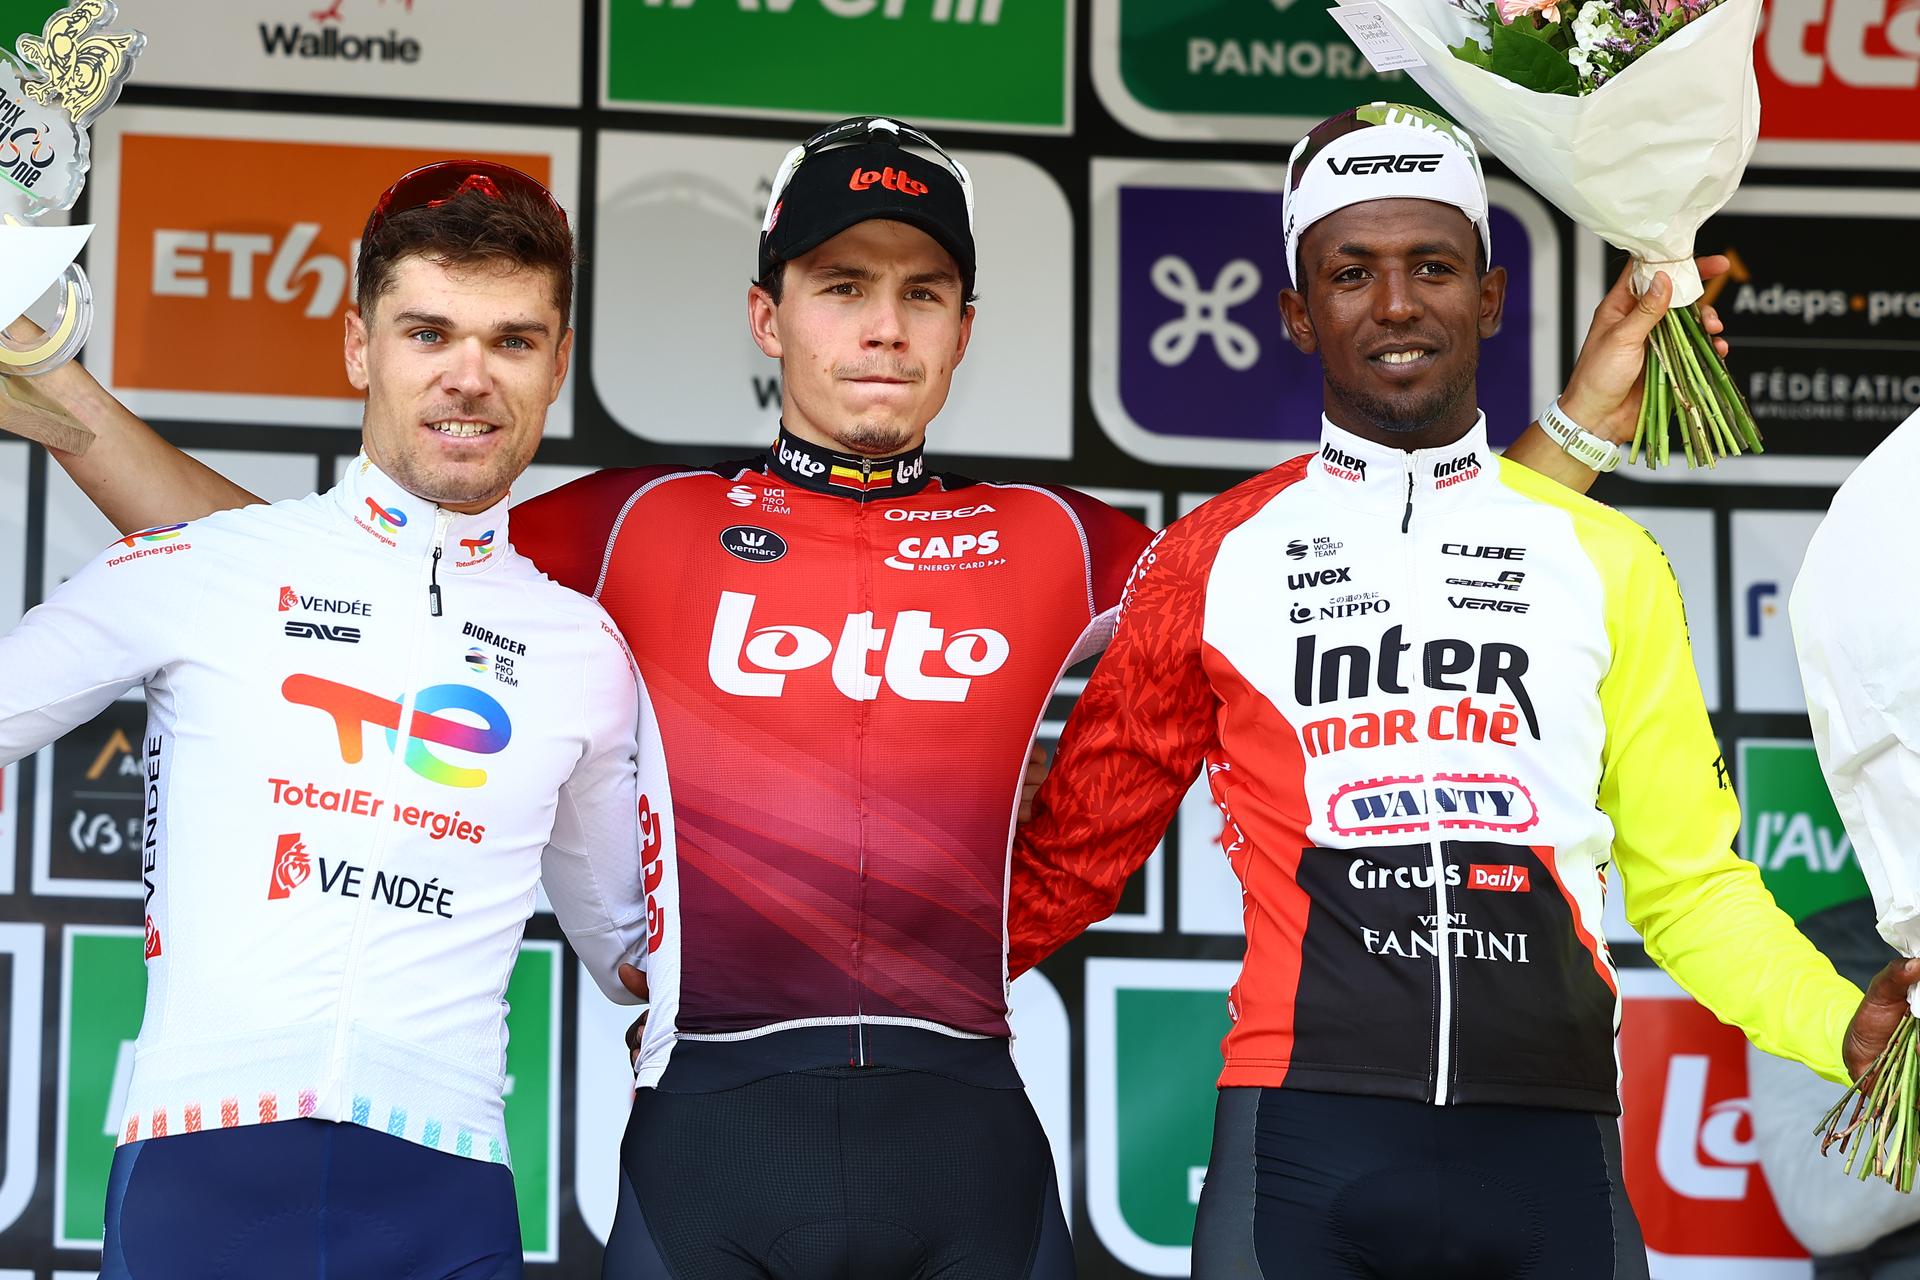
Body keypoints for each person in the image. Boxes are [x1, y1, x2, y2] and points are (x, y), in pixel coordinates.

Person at [21, 114, 1678, 1279]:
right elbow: (323, 582)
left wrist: (1579, 430)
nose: (881, 330)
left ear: (963, 326)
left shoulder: (1061, 539)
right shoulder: (633, 526)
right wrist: (62, 397)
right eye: (839, 288)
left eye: (919, 293)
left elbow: (1367, 573)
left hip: (969, 1138)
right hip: (710, 1137)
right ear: (769, 315)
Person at [1004, 102, 1920, 1280]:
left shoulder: (1607, 560)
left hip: (1551, 1155)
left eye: (1432, 266)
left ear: (1489, 296)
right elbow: (1071, 858)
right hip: (1301, 1154)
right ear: (1298, 311)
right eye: (1352, 272)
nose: (1396, 304)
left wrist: (1840, 1023)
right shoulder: (1210, 559)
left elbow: (1692, 889)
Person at [0, 162, 671, 1279]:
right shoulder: (198, 566)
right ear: (361, 346)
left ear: (558, 363)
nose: (469, 377)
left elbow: (633, 957)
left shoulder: (584, 651)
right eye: (427, 333)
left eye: (511, 341)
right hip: (199, 1176)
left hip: (446, 1193)